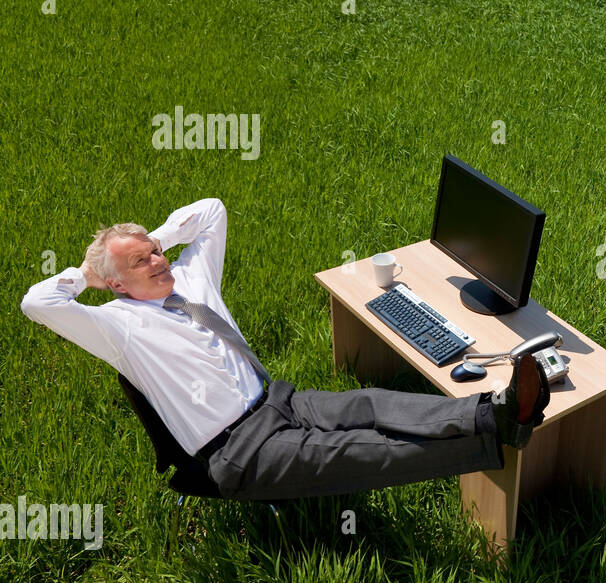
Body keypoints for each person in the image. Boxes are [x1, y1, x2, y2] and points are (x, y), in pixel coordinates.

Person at [20, 198, 548, 501]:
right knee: (364, 449)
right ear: (114, 284)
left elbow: (211, 211)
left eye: (156, 253)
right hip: (234, 451)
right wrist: (86, 275)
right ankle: (496, 438)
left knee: (370, 404)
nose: (158, 262)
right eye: (141, 264)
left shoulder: (191, 276)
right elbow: (37, 302)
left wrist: (149, 238)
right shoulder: (116, 326)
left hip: (279, 400)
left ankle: (495, 410)